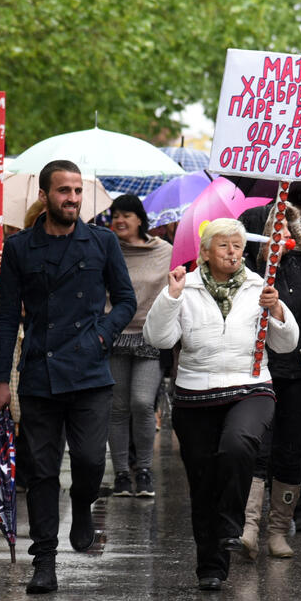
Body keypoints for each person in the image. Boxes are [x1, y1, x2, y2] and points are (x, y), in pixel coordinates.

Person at [0, 160, 137, 595]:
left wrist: (102, 336)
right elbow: (5, 315)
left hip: (90, 372)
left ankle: (83, 501)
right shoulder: (20, 248)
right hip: (40, 372)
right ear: (45, 195)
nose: (72, 198)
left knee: (90, 461)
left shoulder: (102, 242)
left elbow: (125, 301)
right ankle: (44, 560)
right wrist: (0, 379)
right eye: (64, 191)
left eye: (77, 191)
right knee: (41, 471)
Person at [143, 218, 298, 590]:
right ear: (206, 252)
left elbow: (287, 344)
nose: (232, 253)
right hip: (196, 394)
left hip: (251, 387)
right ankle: (211, 567)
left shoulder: (260, 286)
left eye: (238, 246)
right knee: (203, 483)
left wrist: (277, 311)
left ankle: (232, 525)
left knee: (238, 444)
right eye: (224, 245)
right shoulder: (186, 286)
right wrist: (171, 297)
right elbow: (158, 338)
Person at [240, 204, 301, 559]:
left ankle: (278, 530)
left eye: (285, 231)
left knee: (290, 450)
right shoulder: (247, 269)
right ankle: (249, 527)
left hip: (295, 373)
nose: (279, 238)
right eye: (272, 231)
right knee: (258, 449)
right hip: (256, 372)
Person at [106, 194, 172, 497]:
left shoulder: (164, 251)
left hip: (150, 336)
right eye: (115, 215)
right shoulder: (106, 249)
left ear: (140, 219)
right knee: (118, 407)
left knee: (142, 402)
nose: (120, 220)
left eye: (127, 215)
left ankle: (143, 470)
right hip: (114, 335)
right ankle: (121, 474)